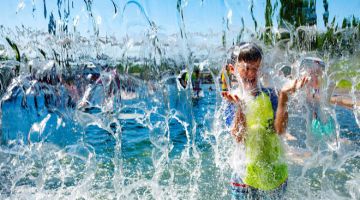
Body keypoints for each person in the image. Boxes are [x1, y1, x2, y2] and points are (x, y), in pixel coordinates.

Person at [222, 42, 308, 199]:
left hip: (275, 175)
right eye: (246, 68)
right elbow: (239, 137)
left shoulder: (271, 95)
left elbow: (280, 130)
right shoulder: (231, 100)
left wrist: (284, 96)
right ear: (232, 69)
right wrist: (241, 108)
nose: (252, 74)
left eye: (256, 68)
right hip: (245, 179)